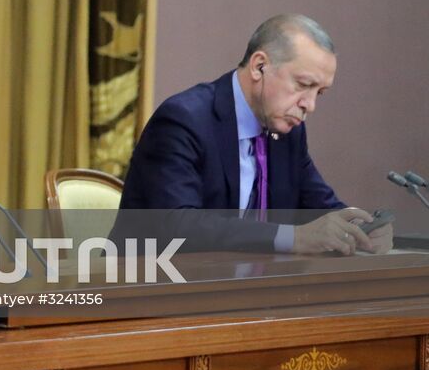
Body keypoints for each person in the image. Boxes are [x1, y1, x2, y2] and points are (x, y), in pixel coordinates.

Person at [116, 14, 393, 255]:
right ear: (260, 66)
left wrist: (359, 228)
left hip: (240, 289)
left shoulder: (287, 131)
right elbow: (178, 225)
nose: (310, 105)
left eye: (319, 92)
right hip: (150, 287)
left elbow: (318, 204)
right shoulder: (185, 119)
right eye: (303, 85)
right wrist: (293, 238)